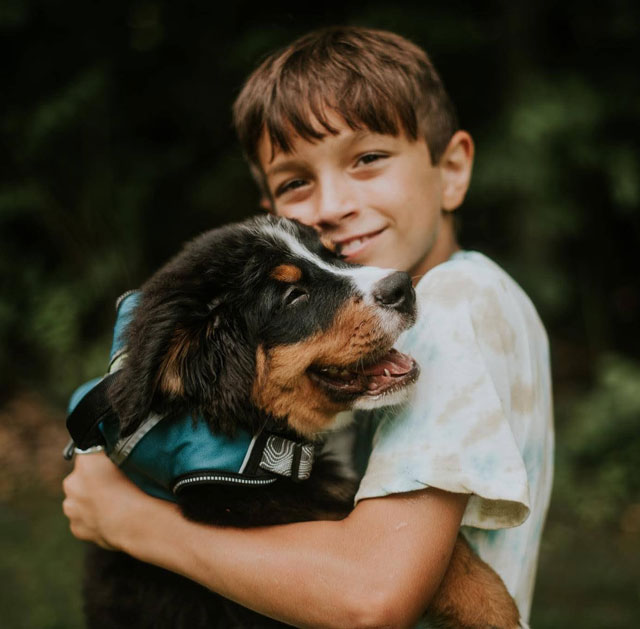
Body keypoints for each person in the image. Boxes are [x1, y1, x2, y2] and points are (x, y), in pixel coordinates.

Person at [62, 26, 553, 628]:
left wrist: (133, 521)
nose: (330, 206)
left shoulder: (456, 303)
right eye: (296, 182)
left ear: (451, 170)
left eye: (368, 159)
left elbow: (371, 596)